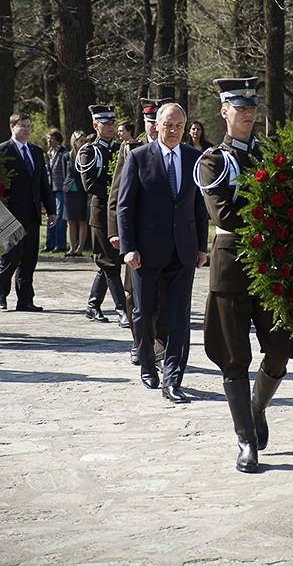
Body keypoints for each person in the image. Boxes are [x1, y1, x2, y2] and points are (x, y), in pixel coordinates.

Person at [197, 78, 293, 473]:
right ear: (225, 112)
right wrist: (274, 217)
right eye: (240, 107)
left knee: (281, 346)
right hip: (231, 262)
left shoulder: (269, 154)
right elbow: (225, 214)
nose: (248, 112)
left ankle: (256, 407)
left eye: (252, 106)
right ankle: (245, 440)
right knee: (234, 355)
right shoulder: (213, 161)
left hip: (270, 263)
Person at [117, 102, 208, 402]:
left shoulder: (195, 158)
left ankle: (173, 379)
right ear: (156, 125)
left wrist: (200, 247)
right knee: (144, 314)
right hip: (146, 253)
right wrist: (129, 249)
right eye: (168, 125)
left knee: (179, 317)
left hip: (182, 252)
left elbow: (199, 208)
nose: (173, 131)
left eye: (179, 126)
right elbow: (125, 206)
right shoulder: (139, 157)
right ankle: (147, 365)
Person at [108, 97, 172, 367]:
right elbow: (117, 195)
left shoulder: (178, 150)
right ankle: (140, 345)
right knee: (135, 296)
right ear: (147, 122)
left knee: (165, 298)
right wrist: (116, 231)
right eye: (149, 121)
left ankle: (159, 348)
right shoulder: (131, 150)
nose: (154, 126)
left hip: (166, 239)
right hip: (137, 238)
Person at [77, 105, 129, 327]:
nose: (110, 126)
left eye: (112, 123)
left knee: (110, 262)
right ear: (95, 126)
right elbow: (89, 185)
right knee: (110, 262)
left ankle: (93, 305)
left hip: (119, 212)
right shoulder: (90, 151)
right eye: (105, 123)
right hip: (101, 213)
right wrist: (117, 193)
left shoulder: (121, 148)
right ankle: (122, 311)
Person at [0, 111, 56, 311]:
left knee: (30, 256)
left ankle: (25, 299)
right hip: (10, 213)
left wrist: (51, 210)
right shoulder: (3, 151)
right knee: (12, 254)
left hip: (32, 213)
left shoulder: (36, 151)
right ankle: (1, 293)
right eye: (22, 126)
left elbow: (43, 184)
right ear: (12, 127)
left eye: (29, 126)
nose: (26, 130)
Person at [62, 130, 88, 257]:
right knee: (70, 221)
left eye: (84, 140)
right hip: (69, 192)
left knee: (82, 221)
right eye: (81, 141)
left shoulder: (86, 155)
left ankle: (80, 248)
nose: (83, 143)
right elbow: (64, 174)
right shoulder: (66, 156)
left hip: (82, 192)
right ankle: (72, 248)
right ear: (74, 142)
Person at [43, 128, 68, 253]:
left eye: (51, 138)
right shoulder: (49, 153)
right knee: (49, 215)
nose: (48, 141)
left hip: (61, 188)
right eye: (47, 138)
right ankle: (49, 244)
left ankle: (61, 244)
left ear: (57, 140)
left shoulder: (63, 153)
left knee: (60, 216)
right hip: (50, 188)